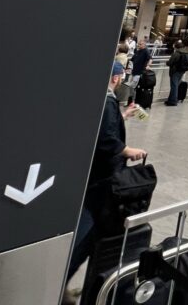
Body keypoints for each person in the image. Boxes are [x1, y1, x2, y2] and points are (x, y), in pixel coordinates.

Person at [66, 62, 147, 289]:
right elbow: (106, 139)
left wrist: (123, 115)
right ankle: (63, 281)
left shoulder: (99, 99)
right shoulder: (108, 102)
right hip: (103, 180)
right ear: (115, 78)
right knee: (87, 234)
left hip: (94, 178)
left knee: (90, 234)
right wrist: (127, 150)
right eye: (121, 76)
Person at [164, 40, 188, 107]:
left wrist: (167, 62)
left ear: (176, 47)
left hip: (175, 71)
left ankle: (173, 101)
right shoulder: (186, 53)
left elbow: (170, 63)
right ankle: (170, 100)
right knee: (175, 85)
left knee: (174, 86)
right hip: (182, 71)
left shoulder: (176, 53)